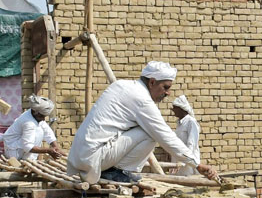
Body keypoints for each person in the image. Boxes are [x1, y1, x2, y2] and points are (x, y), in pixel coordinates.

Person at [65, 61, 219, 184]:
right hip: (94, 158)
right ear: (152, 82)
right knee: (151, 133)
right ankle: (118, 172)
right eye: (165, 87)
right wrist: (196, 164)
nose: (168, 93)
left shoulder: (122, 85)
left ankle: (113, 170)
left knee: (146, 128)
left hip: (83, 156)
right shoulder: (141, 99)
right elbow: (165, 136)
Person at [2, 95, 65, 161]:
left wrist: (56, 147)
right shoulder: (28, 122)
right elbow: (27, 146)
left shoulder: (34, 114)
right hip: (14, 152)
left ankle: (29, 160)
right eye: (42, 116)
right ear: (36, 113)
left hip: (21, 148)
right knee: (38, 132)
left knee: (40, 130)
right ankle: (26, 160)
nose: (43, 119)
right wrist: (48, 150)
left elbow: (48, 132)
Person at [171, 95, 201, 176]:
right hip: (179, 160)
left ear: (181, 109)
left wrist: (183, 161)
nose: (173, 110)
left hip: (188, 162)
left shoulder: (191, 122)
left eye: (175, 108)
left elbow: (192, 144)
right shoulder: (180, 123)